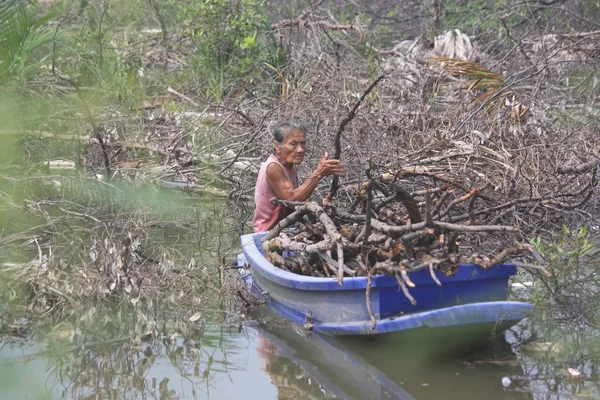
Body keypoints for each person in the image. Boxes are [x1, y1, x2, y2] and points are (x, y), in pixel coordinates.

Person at [253, 121, 344, 233]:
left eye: (303, 143)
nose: (300, 150)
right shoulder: (273, 167)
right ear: (277, 146)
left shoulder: (290, 166)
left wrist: (322, 203)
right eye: (293, 144)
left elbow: (297, 200)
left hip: (286, 228)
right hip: (268, 233)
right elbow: (291, 201)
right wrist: (318, 173)